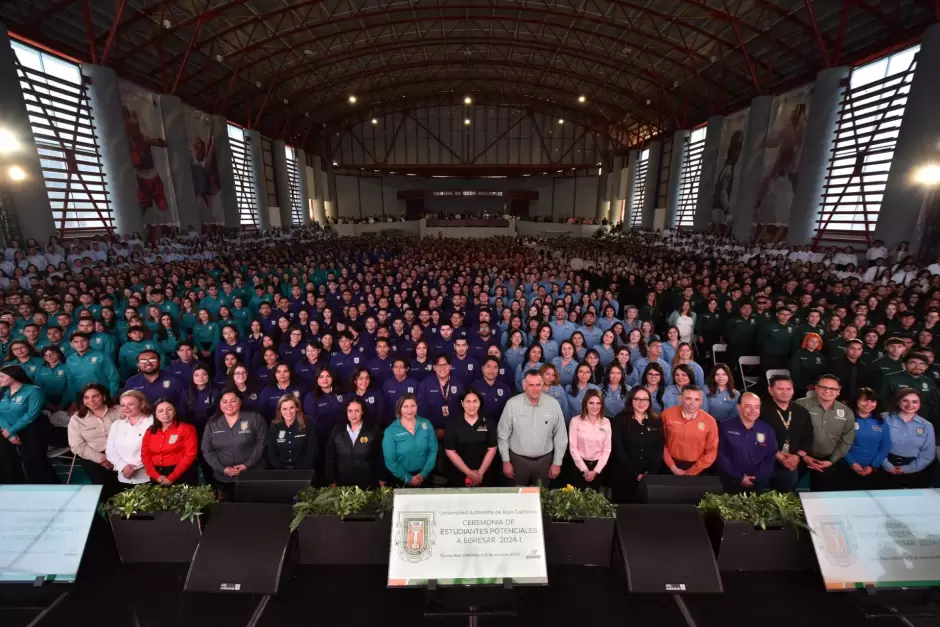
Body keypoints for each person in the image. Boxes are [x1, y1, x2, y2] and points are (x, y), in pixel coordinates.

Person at [498, 369, 568, 486]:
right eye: (531, 385)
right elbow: (503, 434)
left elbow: (560, 435)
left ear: (543, 385)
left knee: (542, 498)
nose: (535, 389)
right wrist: (505, 461)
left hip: (545, 462)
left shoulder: (553, 404)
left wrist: (557, 462)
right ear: (524, 386)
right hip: (518, 461)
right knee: (517, 498)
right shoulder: (512, 404)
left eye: (538, 385)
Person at [201, 389, 267, 499]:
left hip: (251, 474)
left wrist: (246, 465)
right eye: (224, 401)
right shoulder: (212, 422)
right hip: (223, 477)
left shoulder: (255, 418)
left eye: (233, 401)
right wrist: (222, 469)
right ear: (220, 403)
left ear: (240, 402)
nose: (229, 405)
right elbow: (206, 449)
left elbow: (261, 444)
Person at [795, 374, 856, 491]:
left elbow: (847, 439)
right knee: (784, 494)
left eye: (833, 388)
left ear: (839, 391)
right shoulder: (800, 404)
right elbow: (791, 432)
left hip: (827, 461)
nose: (828, 391)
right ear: (816, 388)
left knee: (821, 498)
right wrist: (803, 456)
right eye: (823, 387)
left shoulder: (846, 412)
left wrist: (831, 461)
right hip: (798, 457)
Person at [0, 365, 57, 483]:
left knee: (33, 460)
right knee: (6, 459)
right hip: (7, 429)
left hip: (33, 428)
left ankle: (47, 487)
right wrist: (8, 433)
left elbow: (32, 414)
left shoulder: (34, 390)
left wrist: (11, 430)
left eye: (2, 377)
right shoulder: (3, 391)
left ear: (13, 377)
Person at [759, 375, 815, 492]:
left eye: (788, 389)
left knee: (784, 502)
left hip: (791, 464)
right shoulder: (760, 410)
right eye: (780, 389)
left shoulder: (801, 411)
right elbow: (757, 437)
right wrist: (779, 456)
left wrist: (797, 456)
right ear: (770, 390)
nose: (785, 392)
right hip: (764, 463)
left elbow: (808, 438)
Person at [67, 383, 122, 500]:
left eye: (95, 396)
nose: (91, 400)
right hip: (95, 458)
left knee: (127, 490)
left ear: (104, 397)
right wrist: (102, 459)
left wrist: (116, 457)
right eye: (86, 397)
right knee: (106, 495)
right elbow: (77, 446)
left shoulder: (119, 411)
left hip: (123, 454)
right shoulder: (76, 419)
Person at [716, 393, 777, 493]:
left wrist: (758, 477)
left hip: (757, 484)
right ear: (738, 407)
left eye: (757, 407)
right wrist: (739, 477)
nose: (753, 411)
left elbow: (770, 456)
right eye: (748, 406)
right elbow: (720, 455)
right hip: (729, 482)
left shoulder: (767, 429)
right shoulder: (724, 426)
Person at [611, 386, 663, 502]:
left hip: (648, 476)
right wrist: (634, 473)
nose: (641, 403)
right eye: (637, 399)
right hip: (624, 475)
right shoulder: (620, 420)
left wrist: (649, 473)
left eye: (645, 399)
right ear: (631, 400)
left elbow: (658, 449)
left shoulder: (656, 421)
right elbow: (618, 448)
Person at [835, 388, 890, 491]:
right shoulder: (846, 419)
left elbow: (886, 446)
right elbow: (839, 443)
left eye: (873, 401)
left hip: (873, 469)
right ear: (856, 401)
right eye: (865, 400)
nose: (869, 404)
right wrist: (853, 464)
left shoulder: (881, 421)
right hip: (846, 467)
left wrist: (872, 466)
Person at [881, 388, 936, 489]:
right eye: (905, 400)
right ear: (898, 402)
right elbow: (875, 445)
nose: (910, 405)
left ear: (919, 405)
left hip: (913, 472)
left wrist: (908, 469)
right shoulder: (884, 418)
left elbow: (928, 453)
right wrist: (887, 465)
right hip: (882, 466)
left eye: (915, 402)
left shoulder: (927, 426)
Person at [323, 398, 384, 487]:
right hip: (343, 482)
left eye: (357, 411)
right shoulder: (337, 430)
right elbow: (330, 457)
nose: (353, 415)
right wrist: (330, 480)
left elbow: (380, 455)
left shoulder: (373, 430)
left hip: (368, 482)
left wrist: (382, 477)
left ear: (362, 411)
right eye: (350, 411)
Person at [443, 390, 498, 486]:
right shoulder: (452, 425)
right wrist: (469, 473)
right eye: (468, 401)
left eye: (475, 401)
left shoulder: (489, 423)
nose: (471, 405)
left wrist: (479, 474)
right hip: (459, 474)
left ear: (480, 403)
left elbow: (492, 449)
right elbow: (450, 451)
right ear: (462, 403)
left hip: (484, 474)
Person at [661, 386, 719, 476]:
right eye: (688, 398)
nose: (692, 403)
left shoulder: (710, 421)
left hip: (698, 467)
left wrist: (693, 471)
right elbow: (660, 443)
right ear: (680, 398)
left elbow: (712, 451)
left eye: (697, 399)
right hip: (669, 465)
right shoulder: (667, 415)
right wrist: (672, 466)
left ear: (701, 401)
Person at [382, 394, 438, 487]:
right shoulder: (390, 431)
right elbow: (391, 461)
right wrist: (408, 478)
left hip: (425, 477)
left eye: (413, 406)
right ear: (400, 408)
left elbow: (433, 451)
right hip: (401, 479)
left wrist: (423, 474)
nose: (410, 410)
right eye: (405, 406)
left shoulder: (426, 424)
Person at [142, 399, 198, 486]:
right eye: (160, 411)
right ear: (155, 414)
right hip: (157, 474)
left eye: (169, 409)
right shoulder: (150, 431)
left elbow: (190, 455)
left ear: (175, 411)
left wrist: (172, 477)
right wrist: (156, 476)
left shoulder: (186, 429)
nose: (165, 413)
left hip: (181, 473)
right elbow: (145, 455)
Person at [106, 391, 154, 486]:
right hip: (123, 477)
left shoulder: (152, 422)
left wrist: (134, 468)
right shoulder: (117, 424)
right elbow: (110, 451)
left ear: (142, 403)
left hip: (148, 477)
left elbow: (154, 450)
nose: (126, 408)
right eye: (123, 405)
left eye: (130, 404)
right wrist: (123, 467)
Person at [567, 389, 612, 490]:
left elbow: (607, 449)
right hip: (579, 466)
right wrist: (585, 470)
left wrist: (595, 471)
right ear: (585, 404)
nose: (595, 407)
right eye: (591, 403)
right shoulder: (575, 421)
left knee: (594, 500)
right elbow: (573, 448)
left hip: (598, 467)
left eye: (598, 403)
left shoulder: (606, 422)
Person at [265, 394, 318, 471]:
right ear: (280, 410)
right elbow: (271, 452)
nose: (288, 412)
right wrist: (282, 470)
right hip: (280, 472)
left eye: (292, 408)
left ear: (297, 408)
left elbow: (312, 450)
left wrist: (300, 470)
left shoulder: (308, 423)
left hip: (304, 471)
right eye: (284, 409)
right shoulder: (275, 425)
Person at [790, 333, 826, 397]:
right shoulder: (799, 353)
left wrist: (817, 385)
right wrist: (806, 385)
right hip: (801, 386)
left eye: (817, 342)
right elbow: (795, 372)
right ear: (806, 341)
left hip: (817, 386)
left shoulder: (820, 356)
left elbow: (823, 372)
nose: (814, 343)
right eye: (812, 341)